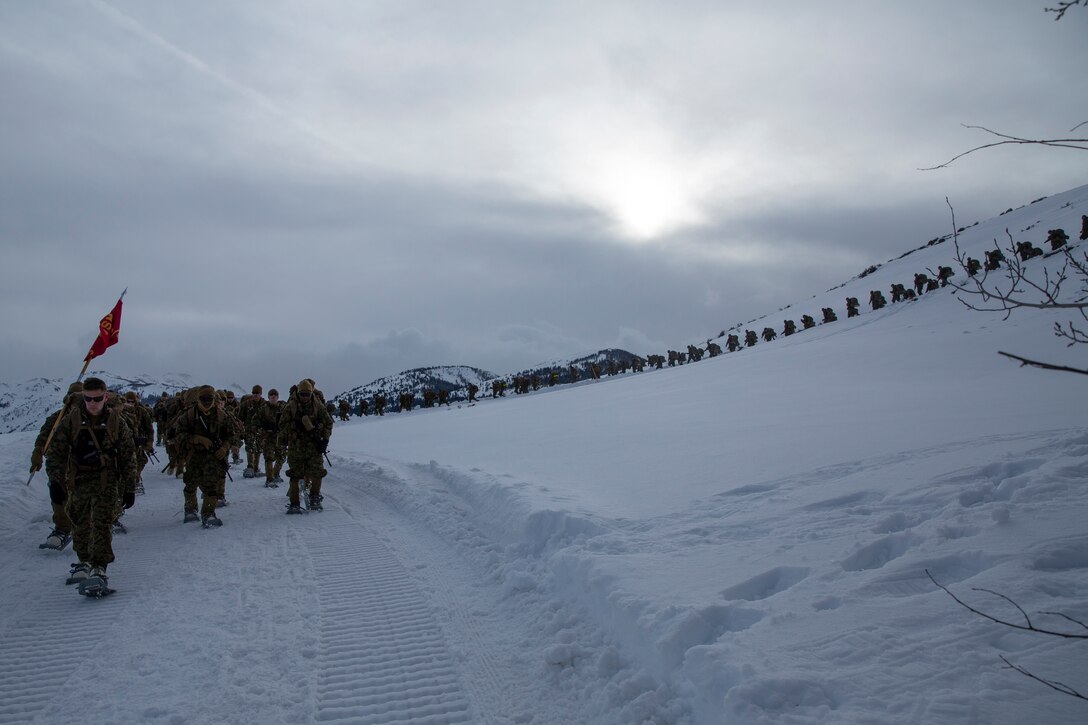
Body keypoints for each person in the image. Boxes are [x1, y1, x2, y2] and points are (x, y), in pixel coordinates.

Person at [46, 377, 136, 596]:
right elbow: (56, 452)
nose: (93, 403)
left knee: (102, 522)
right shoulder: (71, 421)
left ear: (105, 397)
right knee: (79, 521)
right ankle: (84, 560)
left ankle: (99, 566)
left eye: (97, 399)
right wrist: (55, 481)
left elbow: (127, 455)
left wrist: (129, 487)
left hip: (107, 479)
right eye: (88, 399)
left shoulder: (117, 422)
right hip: (78, 479)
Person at [173, 385, 238, 527]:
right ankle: (190, 509)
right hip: (193, 456)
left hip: (213, 458)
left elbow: (231, 436)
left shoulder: (222, 417)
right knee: (190, 484)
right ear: (198, 399)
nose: (207, 402)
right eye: (204, 399)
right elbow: (178, 435)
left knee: (211, 487)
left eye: (210, 399)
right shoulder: (189, 416)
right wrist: (197, 439)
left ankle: (208, 514)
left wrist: (224, 448)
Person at [31, 381, 83, 550]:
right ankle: (62, 528)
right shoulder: (56, 418)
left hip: (83, 465)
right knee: (58, 493)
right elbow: (43, 438)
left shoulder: (90, 419)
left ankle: (85, 529)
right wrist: (37, 454)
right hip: (58, 464)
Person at [279, 379, 334, 514]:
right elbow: (281, 425)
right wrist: (295, 425)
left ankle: (315, 497)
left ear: (311, 394)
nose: (305, 397)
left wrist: (325, 440)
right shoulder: (291, 406)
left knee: (318, 472)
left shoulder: (317, 405)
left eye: (307, 395)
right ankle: (294, 503)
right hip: (296, 447)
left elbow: (328, 422)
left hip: (314, 446)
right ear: (298, 393)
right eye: (302, 394)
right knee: (295, 475)